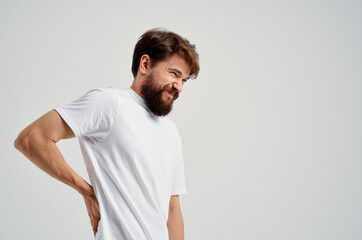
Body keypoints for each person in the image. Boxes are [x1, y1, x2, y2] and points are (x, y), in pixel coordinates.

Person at [14, 28, 200, 240]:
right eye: (174, 74)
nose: (179, 87)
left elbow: (172, 208)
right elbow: (32, 138)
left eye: (184, 80)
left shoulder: (170, 131)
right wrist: (86, 191)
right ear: (145, 64)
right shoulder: (110, 103)